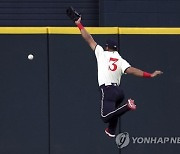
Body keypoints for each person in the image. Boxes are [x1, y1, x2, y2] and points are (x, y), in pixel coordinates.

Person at [74, 17, 163, 138]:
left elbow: (89, 39)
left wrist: (79, 24)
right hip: (119, 93)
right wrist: (150, 75)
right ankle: (111, 130)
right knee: (113, 113)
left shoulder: (102, 53)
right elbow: (132, 70)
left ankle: (127, 106)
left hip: (108, 90)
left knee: (105, 116)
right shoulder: (120, 60)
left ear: (107, 47)